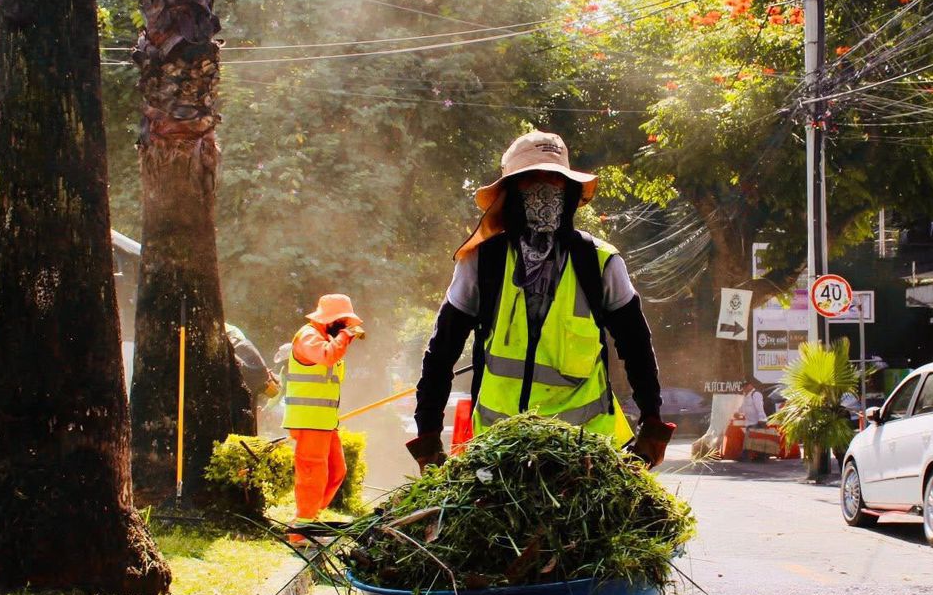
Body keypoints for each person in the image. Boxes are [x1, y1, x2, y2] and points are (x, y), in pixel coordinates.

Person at [407, 130, 672, 468]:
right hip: (499, 453)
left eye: (555, 180)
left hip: (585, 455)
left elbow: (636, 345)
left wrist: (652, 419)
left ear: (570, 190)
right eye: (530, 179)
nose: (544, 190)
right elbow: (441, 352)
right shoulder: (481, 263)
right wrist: (428, 435)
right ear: (511, 192)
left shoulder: (600, 262)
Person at [286, 294, 364, 524]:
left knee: (336, 472)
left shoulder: (323, 338)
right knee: (312, 475)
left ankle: (309, 519)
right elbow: (327, 356)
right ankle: (302, 528)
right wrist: (345, 335)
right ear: (329, 320)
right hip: (309, 421)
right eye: (341, 322)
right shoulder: (308, 337)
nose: (344, 327)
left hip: (324, 422)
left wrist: (343, 336)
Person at [226, 322, 279, 435]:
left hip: (238, 408)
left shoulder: (240, 347)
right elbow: (261, 377)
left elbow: (260, 375)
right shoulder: (241, 346)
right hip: (239, 413)